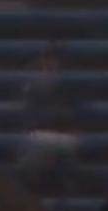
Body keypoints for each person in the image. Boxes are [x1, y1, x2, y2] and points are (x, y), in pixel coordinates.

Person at [15, 46, 83, 197]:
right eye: (41, 67)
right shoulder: (26, 94)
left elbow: (77, 131)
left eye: (50, 67)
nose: (45, 72)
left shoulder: (71, 95)